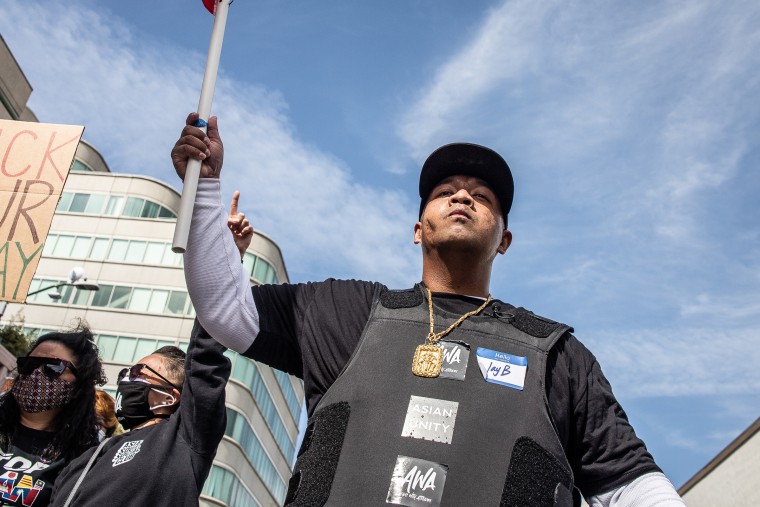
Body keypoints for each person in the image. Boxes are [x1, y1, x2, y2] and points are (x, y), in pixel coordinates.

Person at [171, 113, 685, 506]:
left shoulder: (559, 355)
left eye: (481, 196)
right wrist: (206, 187)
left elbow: (632, 485)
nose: (462, 195)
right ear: (418, 229)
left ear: (503, 240)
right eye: (444, 192)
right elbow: (224, 308)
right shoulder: (347, 311)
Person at [48, 324, 230, 506]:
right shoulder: (86, 459)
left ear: (170, 398)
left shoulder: (183, 438)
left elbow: (204, 359)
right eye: (124, 374)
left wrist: (210, 300)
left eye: (137, 372)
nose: (126, 380)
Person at [0, 326, 105, 507]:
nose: (36, 373)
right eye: (29, 364)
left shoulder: (84, 459)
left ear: (80, 384)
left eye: (53, 367)